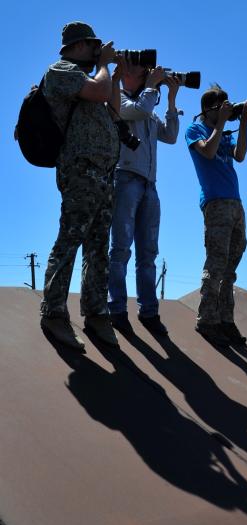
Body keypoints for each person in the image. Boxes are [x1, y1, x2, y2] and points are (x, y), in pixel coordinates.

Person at [40, 21, 122, 350]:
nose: (96, 50)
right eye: (92, 45)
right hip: (79, 170)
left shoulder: (95, 76)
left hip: (103, 172)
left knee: (98, 247)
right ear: (76, 46)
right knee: (70, 239)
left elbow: (114, 111)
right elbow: (98, 93)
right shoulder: (60, 70)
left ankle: (96, 313)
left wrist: (115, 71)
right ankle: (54, 312)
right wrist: (104, 66)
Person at [108, 61, 180, 335]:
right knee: (121, 249)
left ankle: (149, 312)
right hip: (125, 179)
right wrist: (152, 86)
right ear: (126, 75)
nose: (149, 74)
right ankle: (116, 309)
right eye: (142, 70)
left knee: (148, 253)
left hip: (150, 185)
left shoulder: (149, 108)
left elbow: (171, 136)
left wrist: (171, 100)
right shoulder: (120, 100)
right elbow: (137, 110)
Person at [185, 85, 247, 346]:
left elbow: (241, 156)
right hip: (215, 204)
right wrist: (221, 123)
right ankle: (206, 320)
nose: (226, 109)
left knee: (230, 268)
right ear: (208, 109)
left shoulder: (224, 131)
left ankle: (226, 320)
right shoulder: (195, 130)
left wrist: (244, 122)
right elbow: (208, 152)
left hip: (236, 204)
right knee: (216, 263)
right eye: (221, 106)